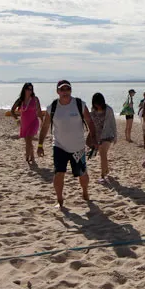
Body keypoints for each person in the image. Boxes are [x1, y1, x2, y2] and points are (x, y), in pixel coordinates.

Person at [37, 80, 96, 208]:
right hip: (59, 146)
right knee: (59, 173)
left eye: (67, 89)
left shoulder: (79, 104)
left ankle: (85, 192)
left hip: (78, 147)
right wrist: (40, 145)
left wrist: (94, 138)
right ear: (57, 91)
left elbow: (90, 121)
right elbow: (45, 126)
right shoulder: (52, 107)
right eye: (62, 89)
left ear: (71, 90)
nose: (65, 92)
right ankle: (59, 200)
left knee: (82, 173)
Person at [11, 82, 42, 163]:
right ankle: (32, 156)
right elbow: (12, 111)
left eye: (31, 89)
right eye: (28, 89)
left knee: (29, 139)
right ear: (24, 89)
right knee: (28, 141)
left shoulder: (35, 99)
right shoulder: (20, 100)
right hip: (24, 123)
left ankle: (27, 158)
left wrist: (42, 121)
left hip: (34, 122)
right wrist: (17, 119)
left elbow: (39, 111)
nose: (29, 91)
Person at [90, 93, 117, 183]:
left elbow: (113, 123)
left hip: (108, 135)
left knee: (103, 153)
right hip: (98, 136)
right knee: (103, 155)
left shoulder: (108, 110)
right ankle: (106, 170)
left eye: (99, 103)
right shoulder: (93, 110)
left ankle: (103, 175)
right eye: (96, 104)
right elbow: (92, 123)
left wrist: (115, 136)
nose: (98, 106)